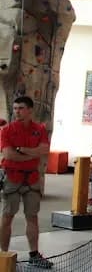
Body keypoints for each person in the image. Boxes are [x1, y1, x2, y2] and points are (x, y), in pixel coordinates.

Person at [0, 96, 53, 268]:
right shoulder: (6, 130)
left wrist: (23, 151)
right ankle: (3, 254)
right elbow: (8, 155)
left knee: (32, 217)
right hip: (12, 177)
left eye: (21, 108)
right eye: (15, 108)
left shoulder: (39, 129)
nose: (17, 112)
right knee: (7, 217)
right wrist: (32, 153)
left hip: (32, 179)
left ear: (30, 110)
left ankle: (34, 254)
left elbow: (44, 149)